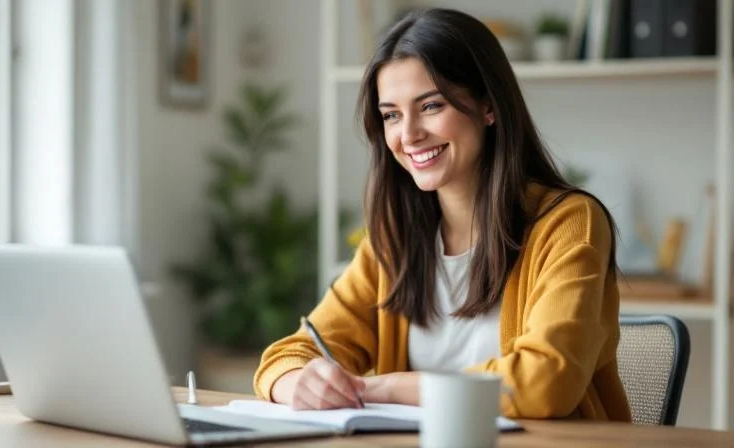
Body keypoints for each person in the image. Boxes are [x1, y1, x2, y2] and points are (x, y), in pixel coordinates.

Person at [253, 7, 631, 421]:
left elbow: (545, 382)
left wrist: (385, 386)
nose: (408, 134)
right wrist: (296, 382)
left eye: (431, 106)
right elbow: (286, 357)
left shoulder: (568, 223)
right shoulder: (394, 238)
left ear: (488, 106)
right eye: (391, 115)